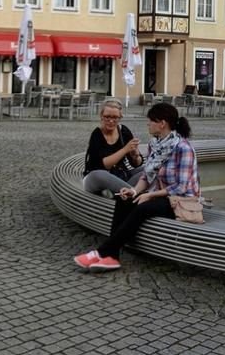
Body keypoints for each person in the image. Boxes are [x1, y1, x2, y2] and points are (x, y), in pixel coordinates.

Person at [74, 102, 200, 272]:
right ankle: (112, 257)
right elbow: (147, 176)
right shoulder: (155, 144)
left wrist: (149, 195)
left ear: (162, 123)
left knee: (142, 207)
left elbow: (182, 187)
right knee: (123, 199)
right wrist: (133, 191)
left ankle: (103, 252)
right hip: (161, 195)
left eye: (150, 121)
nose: (147, 124)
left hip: (181, 200)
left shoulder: (183, 148)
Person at [81, 99, 142, 196]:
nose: (111, 121)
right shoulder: (97, 135)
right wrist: (125, 150)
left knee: (150, 169)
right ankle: (132, 193)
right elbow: (101, 165)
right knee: (99, 175)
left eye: (115, 117)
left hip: (122, 176)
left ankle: (120, 192)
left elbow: (136, 164)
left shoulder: (124, 131)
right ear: (101, 116)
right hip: (97, 178)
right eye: (107, 117)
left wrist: (135, 156)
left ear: (120, 117)